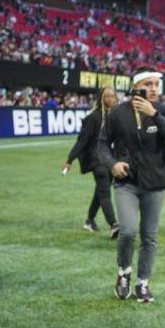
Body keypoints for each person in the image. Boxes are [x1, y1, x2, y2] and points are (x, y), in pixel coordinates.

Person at [97, 67, 165, 303]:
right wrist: (112, 165)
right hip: (127, 183)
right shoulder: (117, 113)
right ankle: (124, 273)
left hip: (155, 183)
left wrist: (153, 114)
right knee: (128, 231)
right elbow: (102, 145)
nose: (154, 88)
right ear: (135, 88)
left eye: (156, 84)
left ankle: (143, 283)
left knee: (149, 236)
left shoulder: (164, 110)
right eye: (149, 84)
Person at [63, 86, 120, 238]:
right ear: (101, 99)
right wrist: (70, 159)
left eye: (112, 96)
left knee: (101, 191)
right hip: (97, 160)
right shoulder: (93, 118)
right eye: (107, 96)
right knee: (105, 193)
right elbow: (82, 141)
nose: (110, 99)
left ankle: (89, 220)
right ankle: (114, 225)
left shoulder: (116, 116)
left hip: (111, 160)